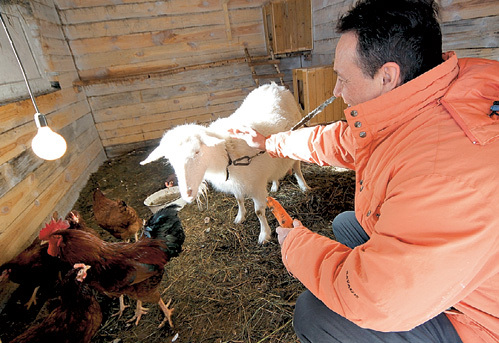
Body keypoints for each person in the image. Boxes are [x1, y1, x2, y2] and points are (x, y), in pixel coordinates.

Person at [229, 0, 499, 342]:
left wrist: (295, 245)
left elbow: (378, 300)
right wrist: (271, 143)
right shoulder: (435, 92)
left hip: (478, 314)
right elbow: (343, 141)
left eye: (342, 79)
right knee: (347, 224)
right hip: (464, 260)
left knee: (314, 315)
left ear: (387, 76)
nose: (336, 92)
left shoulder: (441, 176)